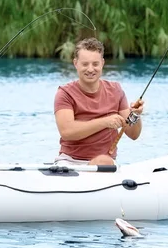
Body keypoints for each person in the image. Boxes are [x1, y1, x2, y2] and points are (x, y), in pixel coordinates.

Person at [53, 37, 144, 166]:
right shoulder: (64, 93)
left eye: (95, 64)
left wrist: (135, 114)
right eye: (85, 64)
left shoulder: (116, 90)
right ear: (75, 63)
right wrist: (105, 122)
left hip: (105, 164)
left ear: (102, 63)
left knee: (103, 161)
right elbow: (67, 132)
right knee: (102, 161)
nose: (90, 69)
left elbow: (133, 135)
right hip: (70, 161)